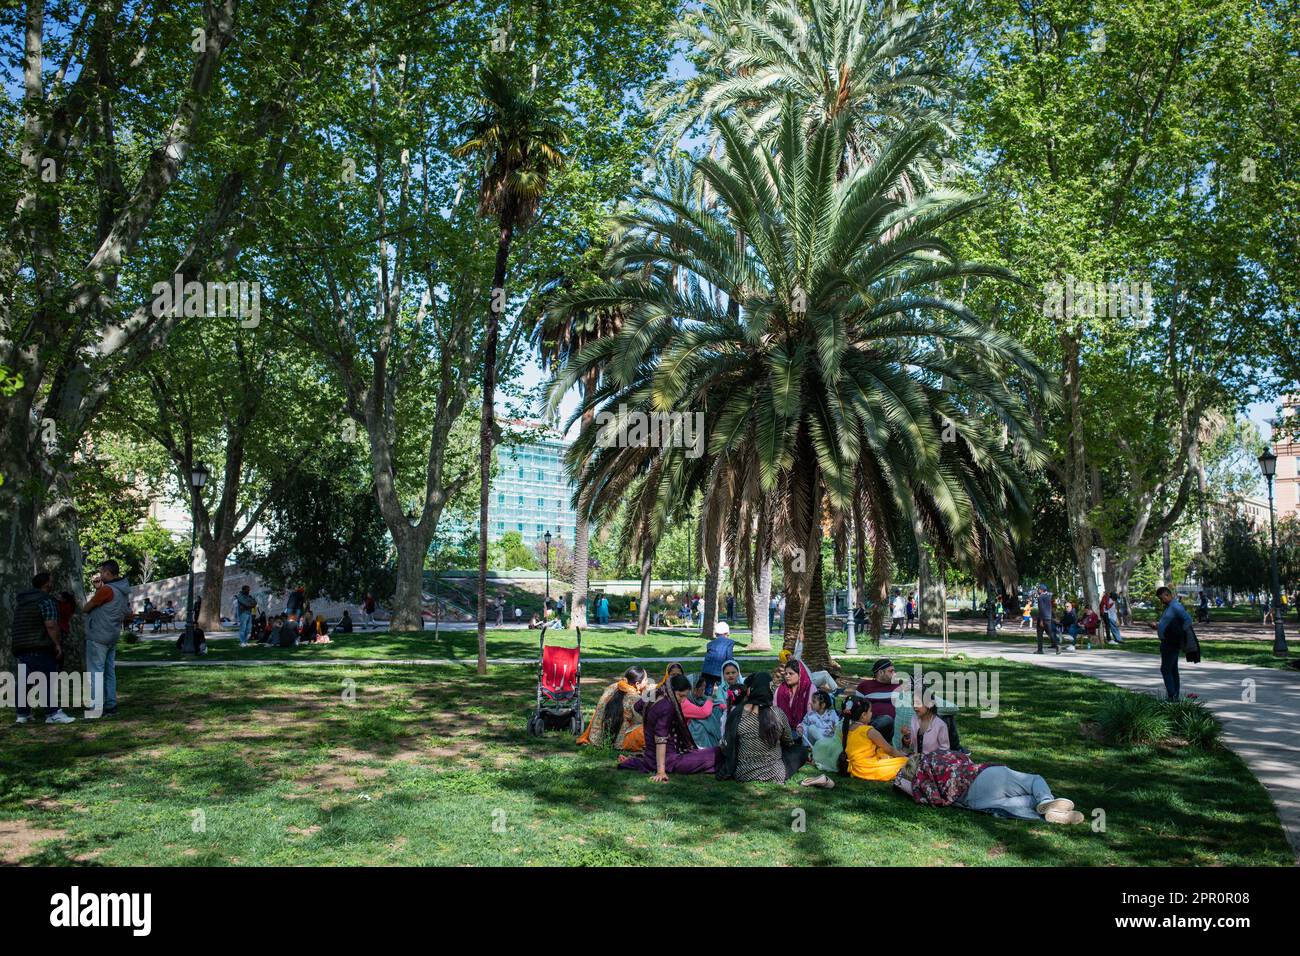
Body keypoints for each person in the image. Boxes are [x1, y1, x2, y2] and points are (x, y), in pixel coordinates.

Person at [894, 750, 1084, 823]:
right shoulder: (934, 757)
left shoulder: (920, 785)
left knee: (1021, 804)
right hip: (983, 776)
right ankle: (1046, 800)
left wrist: (902, 780)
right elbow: (964, 757)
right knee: (1034, 780)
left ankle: (1051, 814)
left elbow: (904, 785)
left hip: (974, 801)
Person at [619, 674, 718, 779]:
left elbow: (637, 706)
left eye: (685, 696)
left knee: (704, 753)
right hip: (669, 761)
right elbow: (660, 739)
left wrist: (650, 720)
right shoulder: (667, 706)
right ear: (672, 690)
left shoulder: (655, 693)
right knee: (716, 753)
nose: (683, 700)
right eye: (681, 695)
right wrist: (661, 771)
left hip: (651, 757)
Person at [716, 673, 806, 782]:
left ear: (751, 690)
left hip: (743, 773)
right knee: (800, 751)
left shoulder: (737, 713)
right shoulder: (777, 713)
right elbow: (788, 742)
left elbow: (728, 744)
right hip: (775, 774)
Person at [12, 572, 75, 724]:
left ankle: (23, 714)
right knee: (47, 679)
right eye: (51, 582)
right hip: (40, 645)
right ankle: (52, 713)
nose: (52, 584)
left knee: (25, 681)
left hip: (21, 645)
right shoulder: (45, 600)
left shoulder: (23, 601)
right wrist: (57, 644)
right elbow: (51, 625)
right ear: (47, 584)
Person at [83, 559, 131, 718]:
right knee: (109, 672)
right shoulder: (123, 590)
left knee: (96, 672)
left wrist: (98, 592)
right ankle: (111, 704)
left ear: (108, 573)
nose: (100, 574)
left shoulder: (107, 590)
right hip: (112, 635)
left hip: (98, 635)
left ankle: (96, 707)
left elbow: (87, 607)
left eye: (102, 572)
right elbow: (125, 611)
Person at [578, 666, 650, 750]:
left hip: (596, 739)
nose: (648, 682)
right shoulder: (634, 698)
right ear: (637, 684)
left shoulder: (611, 687)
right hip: (618, 743)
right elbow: (643, 720)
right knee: (651, 728)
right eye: (646, 680)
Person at [838, 698, 909, 782]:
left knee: (881, 752)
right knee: (906, 763)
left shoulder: (846, 729)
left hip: (853, 768)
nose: (871, 714)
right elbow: (889, 749)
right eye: (870, 711)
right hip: (866, 768)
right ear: (864, 715)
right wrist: (905, 758)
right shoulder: (868, 731)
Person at [1149, 585, 1193, 700]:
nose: (1161, 600)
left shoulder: (1175, 606)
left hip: (1171, 642)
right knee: (1172, 669)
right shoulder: (1169, 607)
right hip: (1166, 642)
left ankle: (1172, 696)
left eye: (1161, 598)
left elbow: (1188, 620)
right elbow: (1169, 624)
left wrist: (1178, 634)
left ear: (1167, 595)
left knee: (1165, 669)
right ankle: (1174, 696)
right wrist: (1157, 626)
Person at [855, 658, 902, 743]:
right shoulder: (865, 686)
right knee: (886, 720)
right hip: (872, 722)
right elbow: (857, 708)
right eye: (891, 671)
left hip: (896, 725)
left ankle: (867, 741)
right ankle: (865, 739)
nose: (894, 674)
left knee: (890, 721)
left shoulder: (899, 686)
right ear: (880, 672)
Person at [683, 674, 726, 749]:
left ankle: (718, 742)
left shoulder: (698, 698)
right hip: (688, 729)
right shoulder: (684, 702)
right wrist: (709, 700)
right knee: (699, 726)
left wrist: (720, 705)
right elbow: (704, 712)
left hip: (701, 722)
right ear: (693, 688)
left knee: (717, 710)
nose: (704, 690)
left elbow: (715, 702)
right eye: (701, 688)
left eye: (704, 687)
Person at [775, 656, 813, 734]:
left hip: (805, 728)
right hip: (783, 728)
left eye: (791, 673)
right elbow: (775, 709)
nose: (787, 676)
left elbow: (812, 714)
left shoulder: (810, 689)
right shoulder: (781, 689)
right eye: (785, 674)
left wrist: (802, 726)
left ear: (800, 675)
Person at [701, 621, 735, 695]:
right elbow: (729, 657)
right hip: (719, 671)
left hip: (707, 670)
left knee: (708, 689)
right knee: (723, 688)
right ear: (727, 633)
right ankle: (724, 702)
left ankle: (707, 703)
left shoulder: (710, 644)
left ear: (716, 634)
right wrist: (733, 665)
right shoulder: (730, 642)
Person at [1035, 584, 1060, 655]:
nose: (1038, 590)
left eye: (1039, 589)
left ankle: (1040, 650)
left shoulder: (1040, 598)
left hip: (1042, 618)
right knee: (1050, 633)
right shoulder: (1049, 596)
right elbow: (1051, 608)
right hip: (1049, 617)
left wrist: (1042, 620)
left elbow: (1041, 609)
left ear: (1041, 590)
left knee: (1039, 634)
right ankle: (1057, 645)